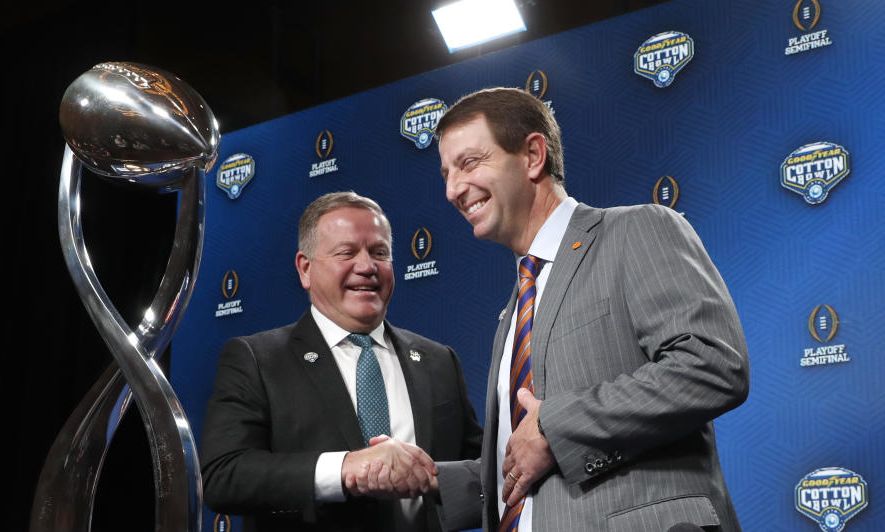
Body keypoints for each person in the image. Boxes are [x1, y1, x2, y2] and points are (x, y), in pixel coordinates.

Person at [432, 87, 750, 532]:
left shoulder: (636, 230)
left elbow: (711, 365)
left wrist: (556, 427)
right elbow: (529, 458)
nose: (452, 190)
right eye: (445, 173)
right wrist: (429, 481)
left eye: (469, 163)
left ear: (532, 155)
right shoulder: (515, 309)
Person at [200, 191, 483, 532]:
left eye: (380, 253)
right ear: (305, 269)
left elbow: (485, 471)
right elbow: (223, 476)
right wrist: (346, 469)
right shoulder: (258, 359)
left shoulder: (439, 361)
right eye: (346, 253)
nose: (366, 267)